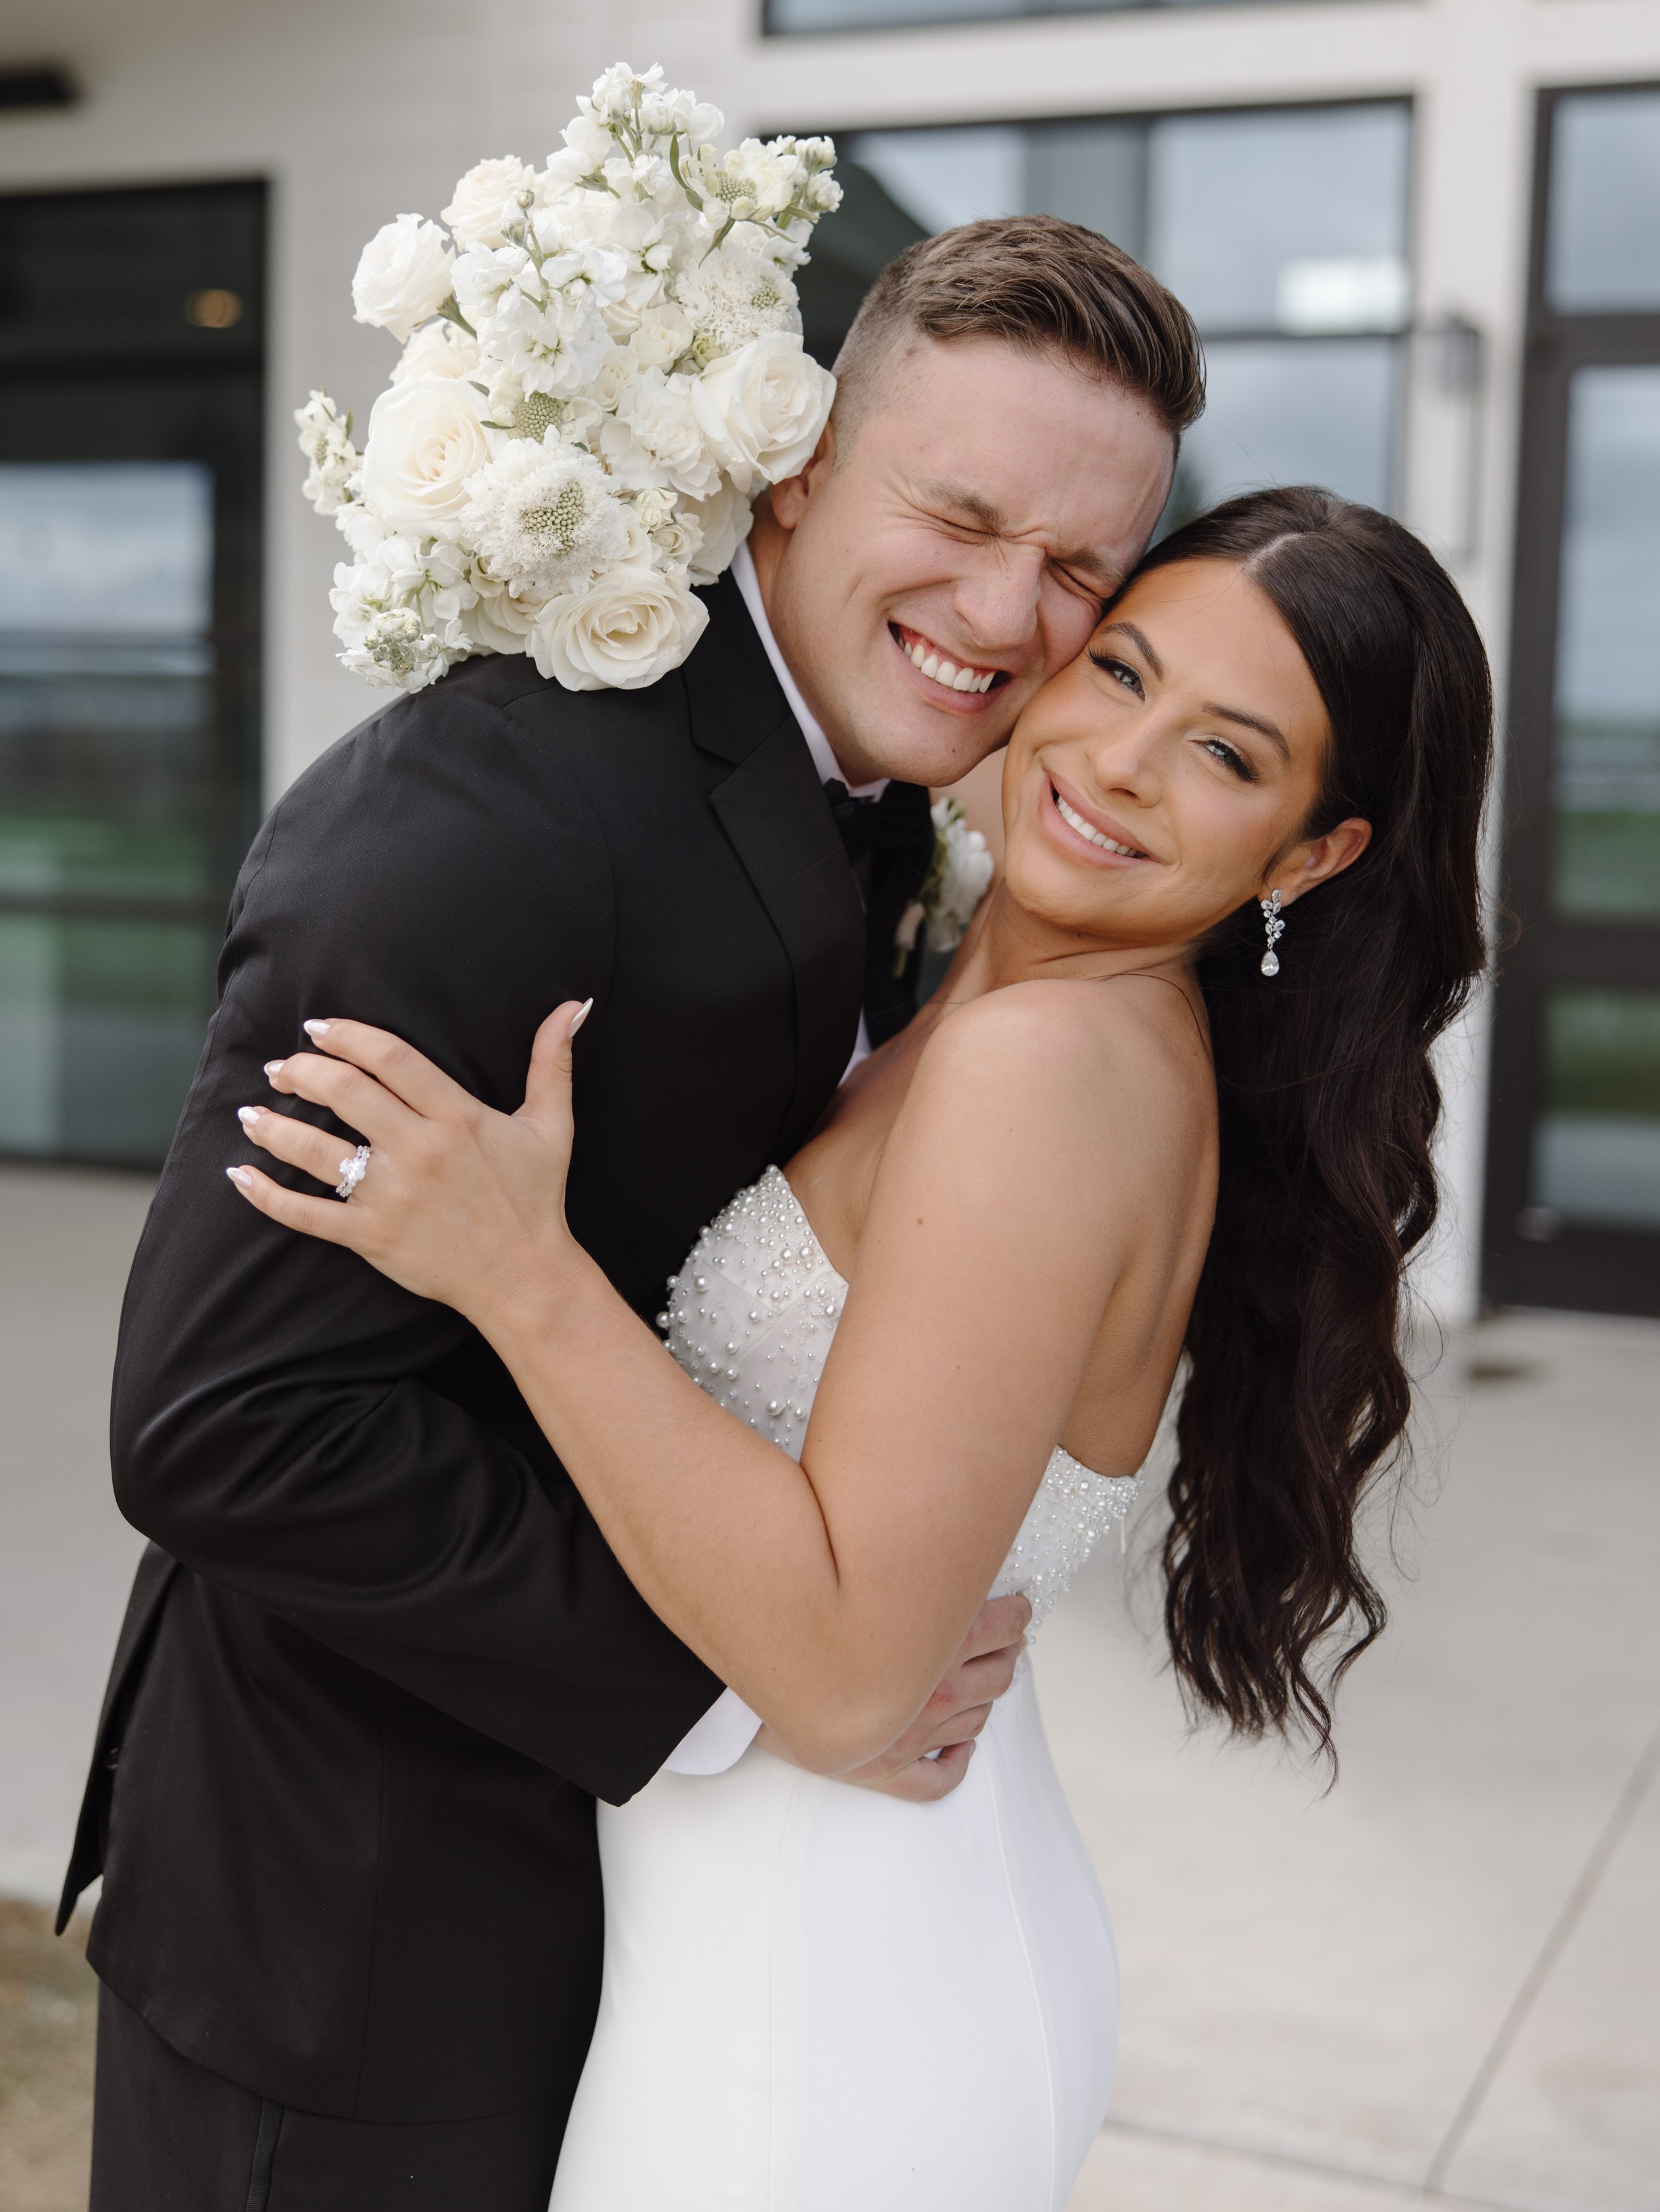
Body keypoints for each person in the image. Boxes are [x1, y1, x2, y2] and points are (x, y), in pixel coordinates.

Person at [62, 216, 1202, 2211]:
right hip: (357, 1940)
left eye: (1080, 569)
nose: (1008, 610)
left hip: (646, 1951)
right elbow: (228, 1422)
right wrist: (746, 1683)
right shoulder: (490, 822)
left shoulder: (874, 800)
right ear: (793, 466)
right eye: (956, 509)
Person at [227, 485, 1495, 2209]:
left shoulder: (1046, 1069)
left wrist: (518, 1273)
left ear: (1307, 852)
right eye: (1117, 670)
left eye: (1223, 752)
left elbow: (841, 1676)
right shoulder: (990, 996)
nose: (1118, 760)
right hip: (842, 1930)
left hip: (808, 2015)